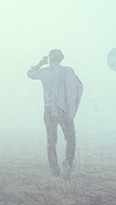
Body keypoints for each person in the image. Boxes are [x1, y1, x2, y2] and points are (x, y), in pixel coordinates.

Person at [27, 49, 83, 180]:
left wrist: (41, 62)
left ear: (50, 59)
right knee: (71, 139)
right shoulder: (66, 72)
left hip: (49, 110)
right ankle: (68, 163)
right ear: (61, 59)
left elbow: (30, 73)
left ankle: (55, 171)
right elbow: (77, 87)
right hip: (63, 109)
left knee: (51, 141)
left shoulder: (44, 72)